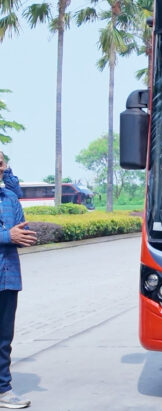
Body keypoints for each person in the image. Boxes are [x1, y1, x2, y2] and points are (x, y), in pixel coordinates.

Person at [0, 152, 36, 409]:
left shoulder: (10, 198)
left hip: (8, 277)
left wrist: (19, 237)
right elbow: (10, 234)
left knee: (3, 340)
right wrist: (6, 236)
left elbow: (19, 228)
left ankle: (3, 390)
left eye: (0, 162)